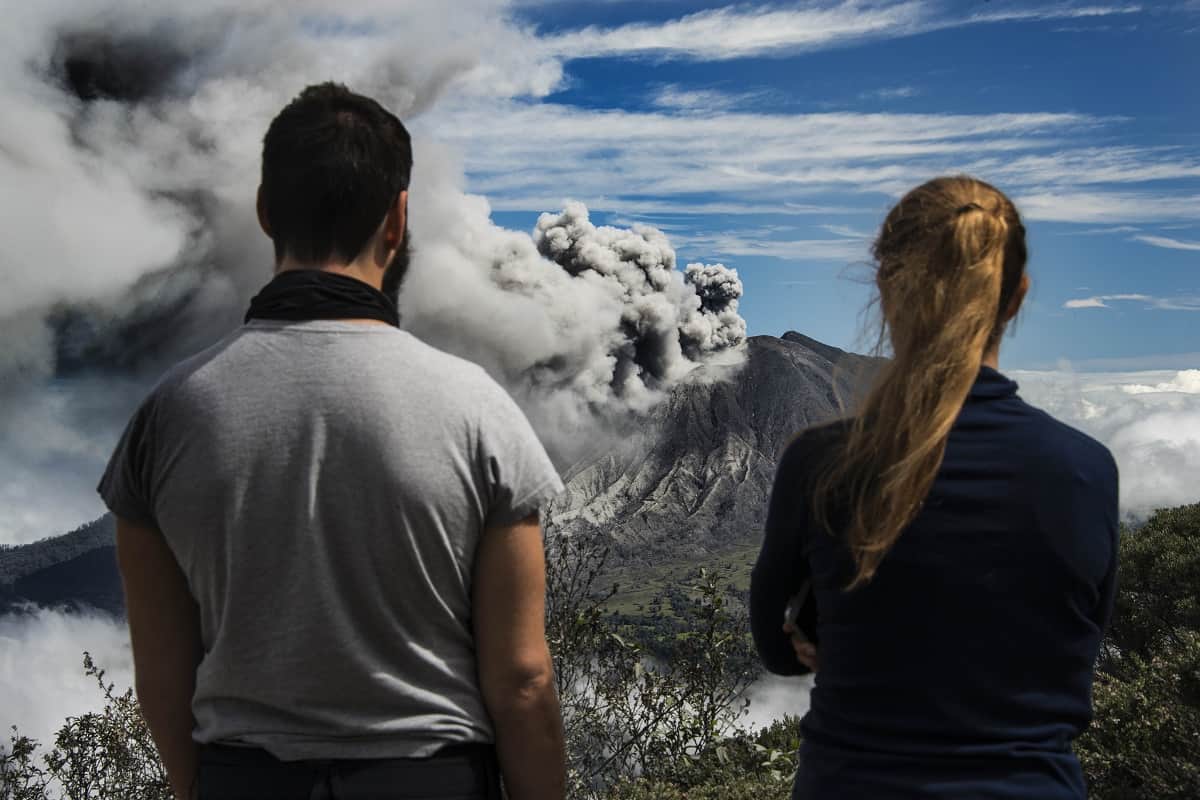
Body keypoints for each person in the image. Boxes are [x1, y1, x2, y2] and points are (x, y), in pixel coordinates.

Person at [99, 83, 567, 800]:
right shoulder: (479, 410)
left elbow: (163, 675)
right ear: (398, 219)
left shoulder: (168, 416)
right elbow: (524, 680)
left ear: (263, 211)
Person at [750, 176, 1118, 799]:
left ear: (888, 293)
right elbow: (1077, 647)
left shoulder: (823, 462)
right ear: (1016, 296)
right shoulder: (1085, 469)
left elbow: (777, 647)